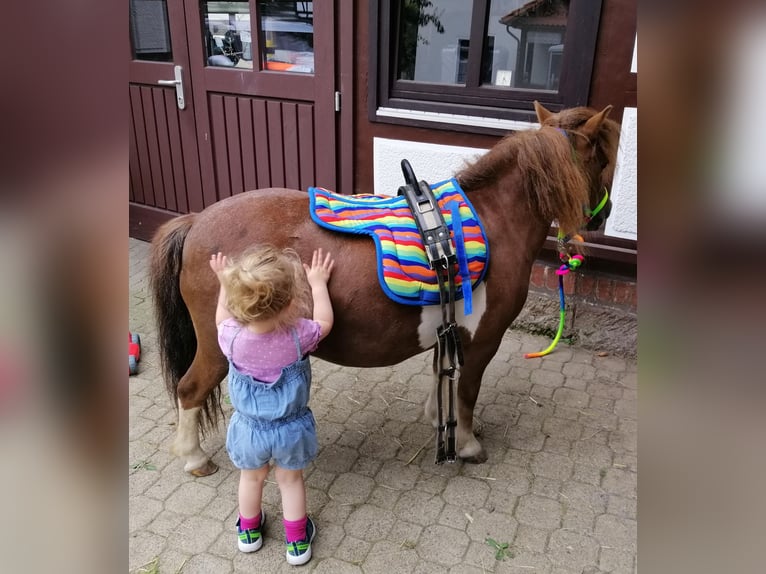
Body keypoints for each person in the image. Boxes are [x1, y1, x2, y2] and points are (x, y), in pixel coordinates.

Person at [209, 245, 335, 566]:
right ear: (291, 303)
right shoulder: (298, 336)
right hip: (291, 430)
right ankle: (296, 542)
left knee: (251, 479)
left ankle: (249, 533)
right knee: (290, 481)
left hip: (249, 430)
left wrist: (224, 282)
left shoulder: (231, 337)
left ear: (240, 302)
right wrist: (318, 283)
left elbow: (222, 317)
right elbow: (325, 322)